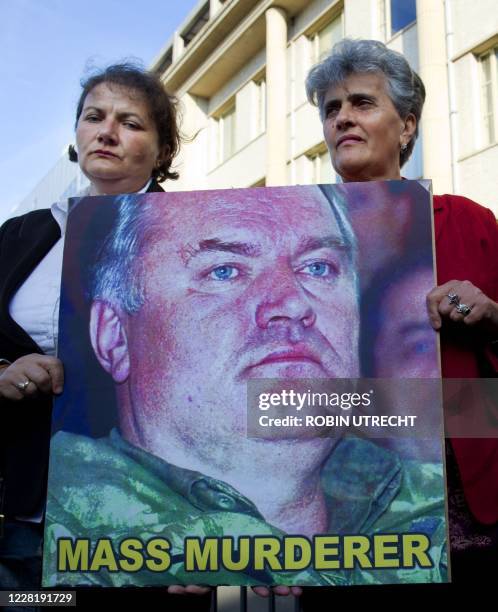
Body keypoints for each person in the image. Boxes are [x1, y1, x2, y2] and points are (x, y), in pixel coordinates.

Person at [42, 185, 446, 588]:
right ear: (114, 337)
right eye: (225, 271)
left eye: (318, 267)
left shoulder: (438, 506)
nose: (292, 303)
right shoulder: (53, 530)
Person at [0, 62, 213, 605]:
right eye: (94, 117)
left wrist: (206, 527)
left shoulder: (204, 237)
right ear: (76, 134)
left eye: (130, 122)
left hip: (145, 524)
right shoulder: (22, 234)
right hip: (23, 517)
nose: (107, 132)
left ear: (162, 150)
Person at [305, 37, 498, 591]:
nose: (342, 118)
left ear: (407, 126)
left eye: (362, 103)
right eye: (331, 109)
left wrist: (490, 318)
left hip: (470, 518)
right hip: (344, 527)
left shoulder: (467, 221)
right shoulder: (295, 238)